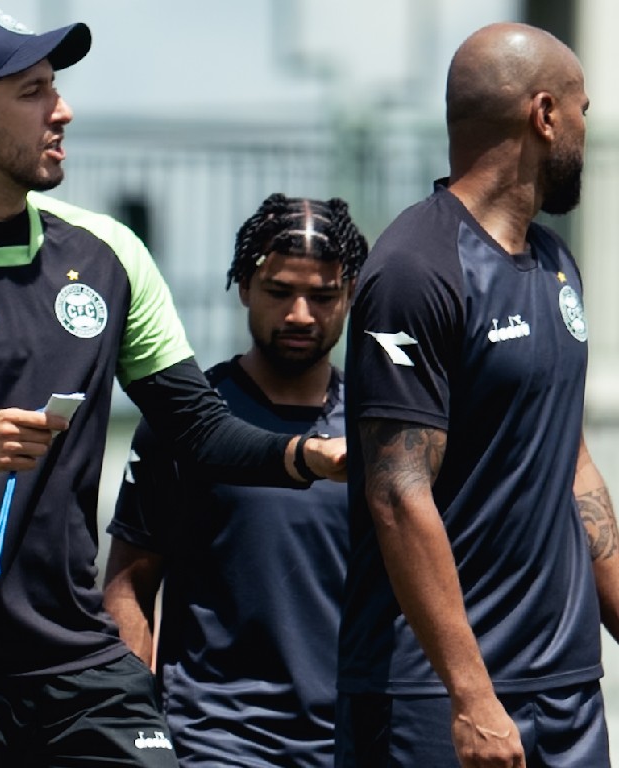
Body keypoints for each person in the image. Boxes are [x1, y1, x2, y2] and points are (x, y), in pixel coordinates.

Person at [0, 8, 346, 766]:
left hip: (78, 661)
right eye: (33, 91)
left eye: (55, 86)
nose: (64, 109)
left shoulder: (110, 253)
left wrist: (307, 457)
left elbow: (200, 430)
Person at [337, 22, 619, 768]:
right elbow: (398, 492)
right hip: (439, 698)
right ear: (545, 114)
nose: (587, 130)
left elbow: (570, 461)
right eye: (584, 110)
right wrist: (471, 696)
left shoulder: (557, 262)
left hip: (563, 686)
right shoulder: (414, 268)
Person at [103, 194, 368, 766]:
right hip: (218, 740)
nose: (300, 314)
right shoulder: (188, 424)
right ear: (244, 286)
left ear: (349, 298)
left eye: (323, 296)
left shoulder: (383, 430)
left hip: (353, 742)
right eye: (279, 292)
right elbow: (128, 587)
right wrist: (136, 731)